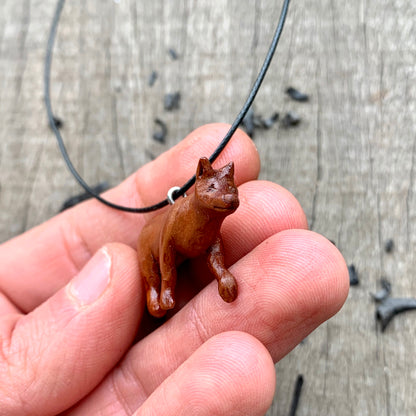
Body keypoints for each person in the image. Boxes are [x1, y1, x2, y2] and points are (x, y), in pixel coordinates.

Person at [0, 124, 348, 415]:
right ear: (199, 182)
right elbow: (166, 249)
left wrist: (223, 274)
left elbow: (212, 248)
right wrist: (164, 287)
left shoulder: (212, 226)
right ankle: (156, 293)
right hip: (156, 252)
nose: (224, 196)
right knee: (152, 271)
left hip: (182, 262)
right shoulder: (181, 216)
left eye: (228, 191)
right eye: (213, 187)